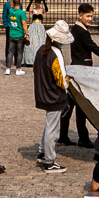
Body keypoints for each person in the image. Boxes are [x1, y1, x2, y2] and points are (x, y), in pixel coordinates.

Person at [59, 3, 99, 148]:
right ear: (80, 15)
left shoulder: (76, 29)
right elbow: (94, 47)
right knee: (81, 106)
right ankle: (82, 138)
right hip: (82, 71)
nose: (90, 19)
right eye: (88, 16)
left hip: (75, 69)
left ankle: (63, 136)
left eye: (91, 16)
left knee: (69, 104)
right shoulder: (81, 31)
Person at [34, 20, 75, 174]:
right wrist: (67, 86)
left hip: (42, 93)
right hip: (54, 96)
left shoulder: (40, 50)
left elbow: (35, 70)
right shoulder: (56, 54)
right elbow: (61, 79)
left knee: (49, 125)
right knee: (53, 130)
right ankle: (49, 161)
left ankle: (42, 151)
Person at [23, 0, 49, 67]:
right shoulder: (33, 10)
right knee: (33, 42)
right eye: (35, 2)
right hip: (33, 26)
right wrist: (31, 1)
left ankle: (41, 59)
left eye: (38, 2)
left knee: (40, 41)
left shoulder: (42, 10)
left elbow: (47, 10)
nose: (36, 4)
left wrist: (44, 2)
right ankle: (31, 59)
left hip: (40, 26)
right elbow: (27, 9)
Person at [5, 0, 28, 75]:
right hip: (19, 34)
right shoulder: (21, 13)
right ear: (20, 3)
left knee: (10, 52)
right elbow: (24, 24)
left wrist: (12, 2)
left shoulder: (10, 11)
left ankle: (8, 68)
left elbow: (11, 6)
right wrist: (27, 34)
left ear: (13, 3)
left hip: (11, 34)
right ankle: (18, 69)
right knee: (19, 52)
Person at [2, 0, 19, 65]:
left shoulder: (19, 5)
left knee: (17, 42)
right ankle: (8, 60)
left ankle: (16, 60)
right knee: (8, 43)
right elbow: (4, 15)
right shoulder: (7, 5)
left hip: (16, 26)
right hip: (9, 26)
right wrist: (6, 25)